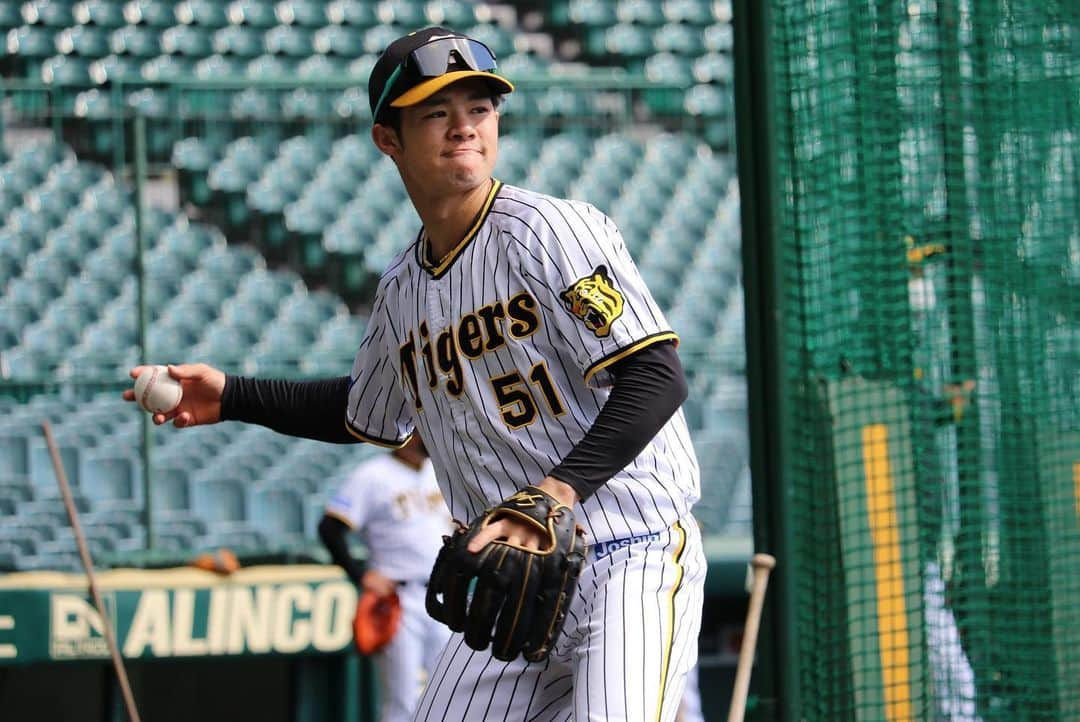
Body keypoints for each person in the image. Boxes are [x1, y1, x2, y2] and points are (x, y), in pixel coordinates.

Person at [126, 25, 705, 721]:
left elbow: (656, 374)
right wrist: (234, 396)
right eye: (437, 112)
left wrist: (554, 493)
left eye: (480, 108)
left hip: (629, 553)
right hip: (506, 570)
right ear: (389, 139)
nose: (465, 127)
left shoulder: (550, 231)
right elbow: (364, 412)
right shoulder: (402, 290)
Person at [317, 434, 452, 722]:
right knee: (403, 700)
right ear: (407, 434)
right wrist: (361, 574)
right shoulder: (371, 475)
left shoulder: (439, 471)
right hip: (399, 599)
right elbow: (330, 528)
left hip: (443, 596)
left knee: (450, 692)